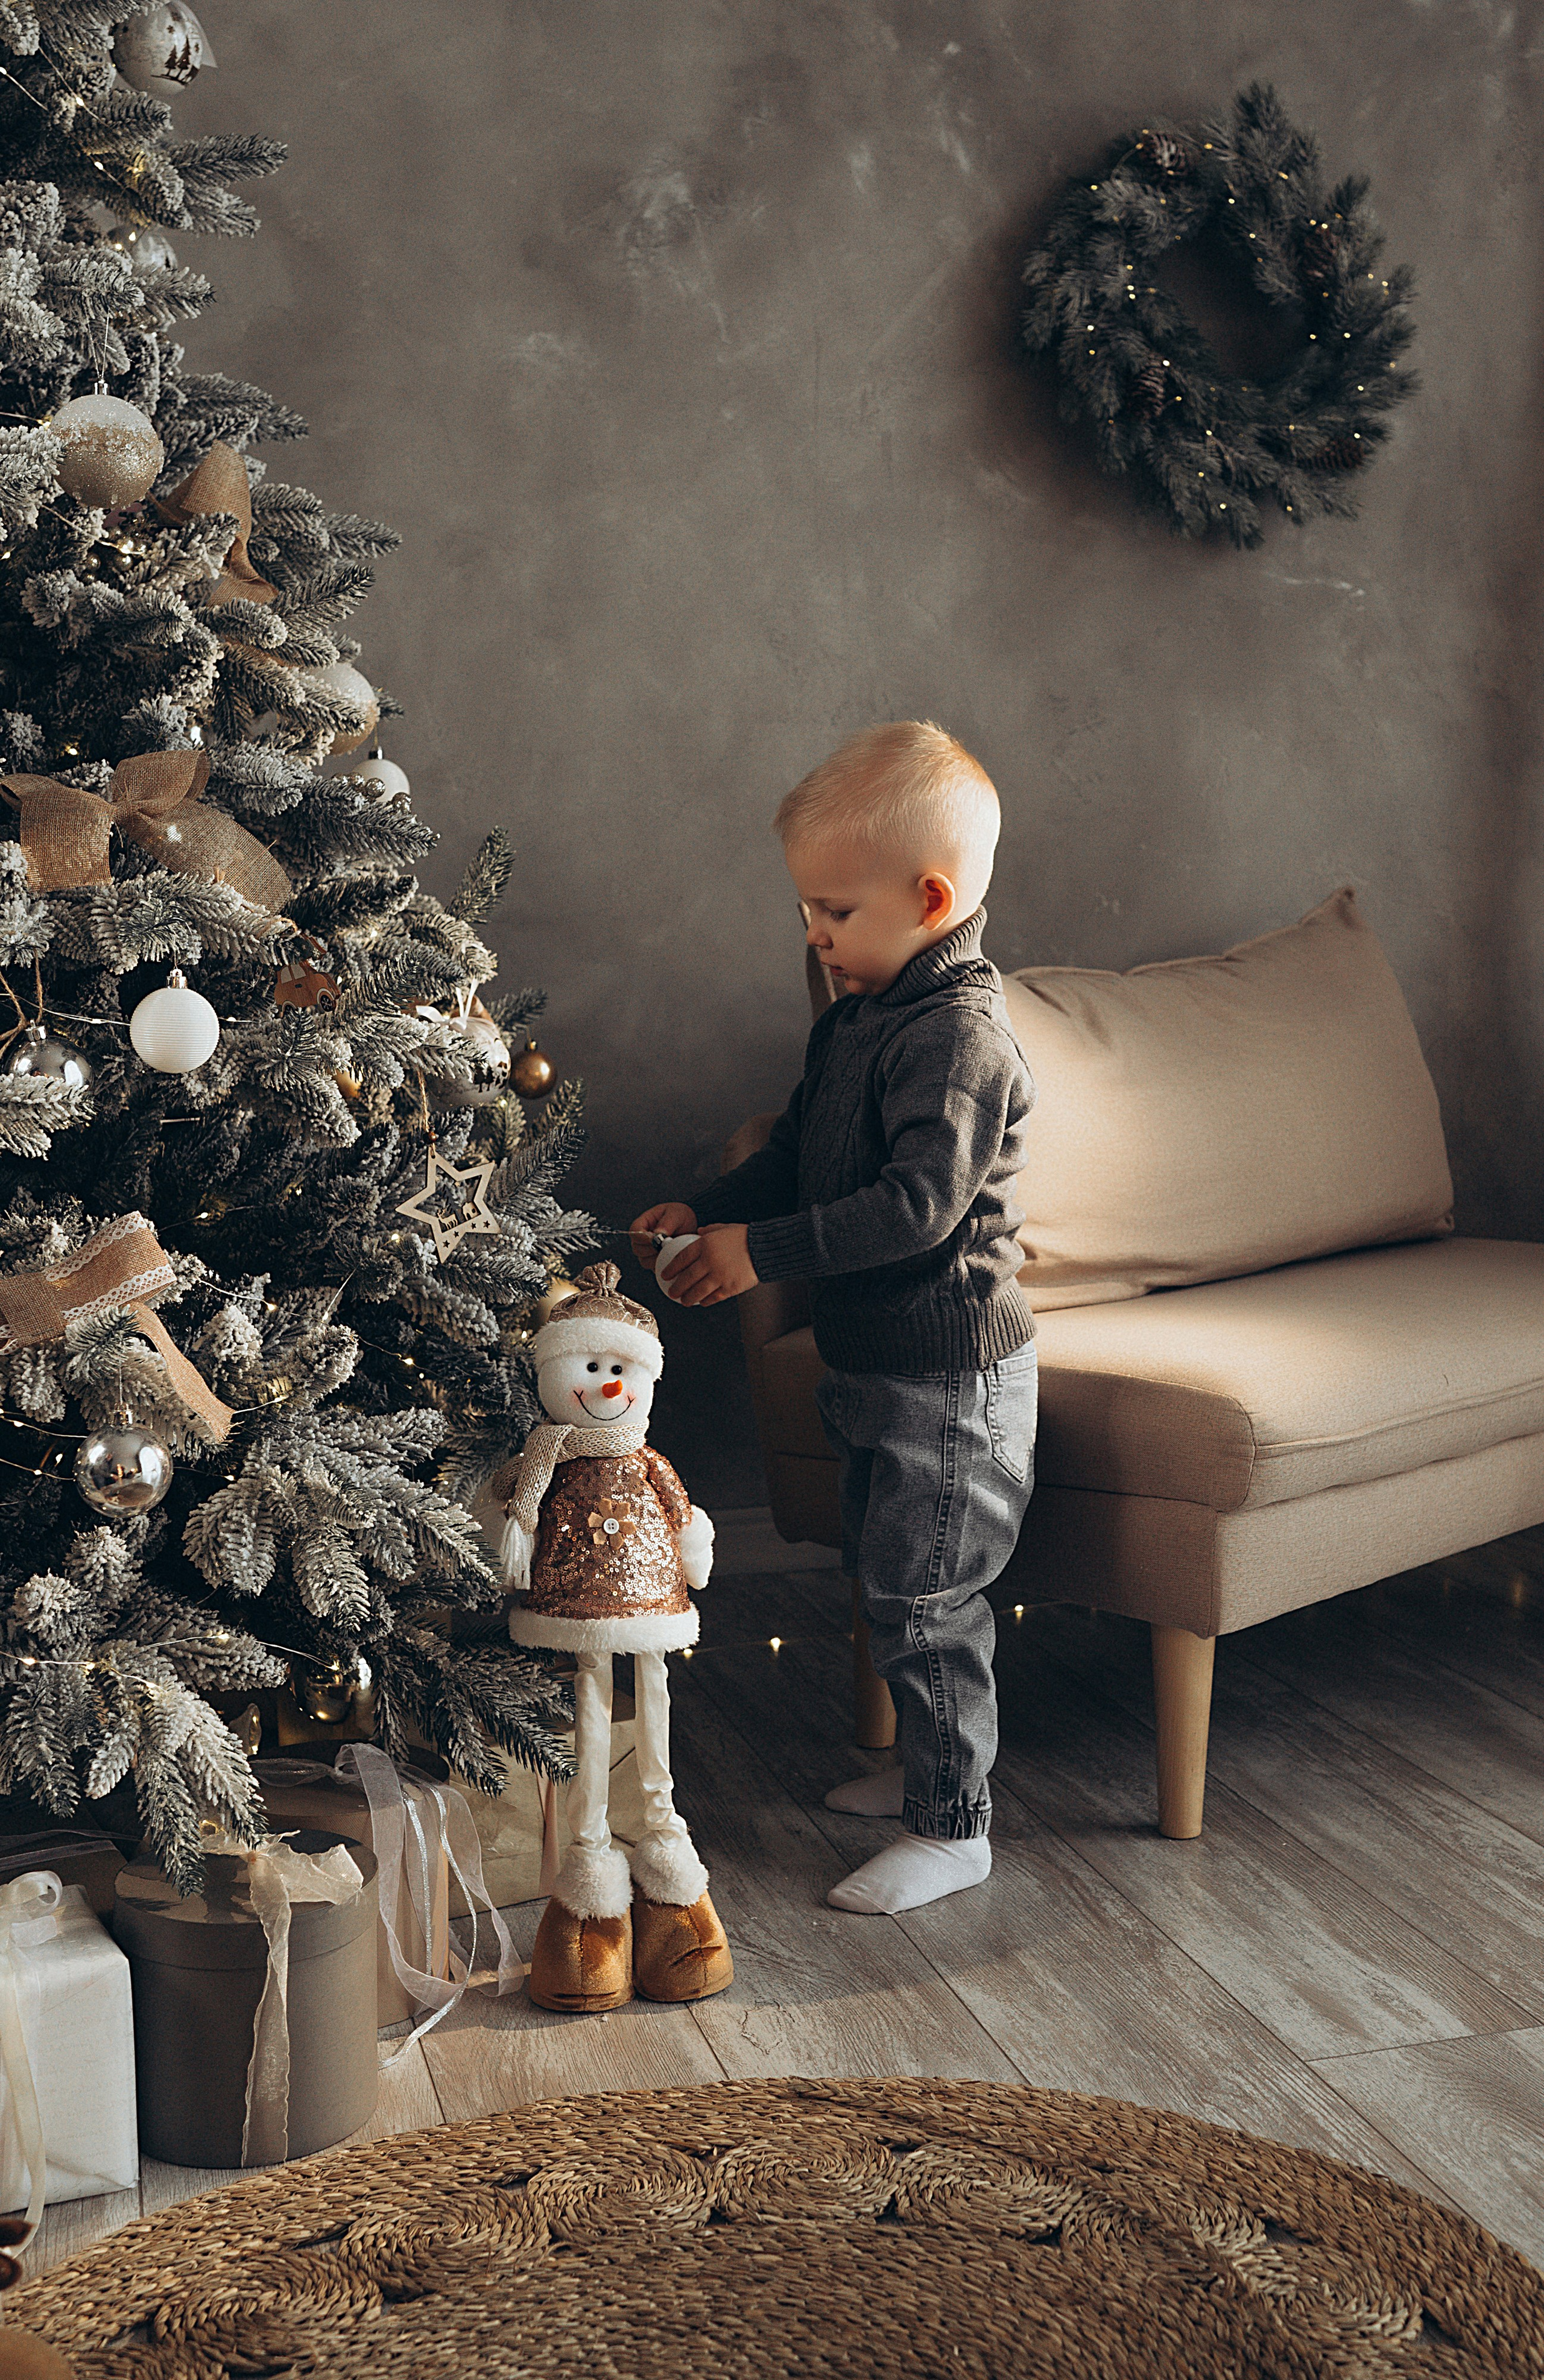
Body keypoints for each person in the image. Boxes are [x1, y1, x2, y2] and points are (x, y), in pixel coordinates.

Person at [629, 720, 1037, 1915]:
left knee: (928, 1598)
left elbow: (913, 1211)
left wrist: (757, 1255)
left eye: (836, 911)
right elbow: (805, 1154)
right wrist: (711, 1205)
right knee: (883, 1572)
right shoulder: (855, 1017)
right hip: (874, 1366)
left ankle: (955, 1821)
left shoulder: (960, 1036)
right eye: (806, 908)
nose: (813, 932)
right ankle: (917, 1765)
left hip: (948, 1380)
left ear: (929, 896)